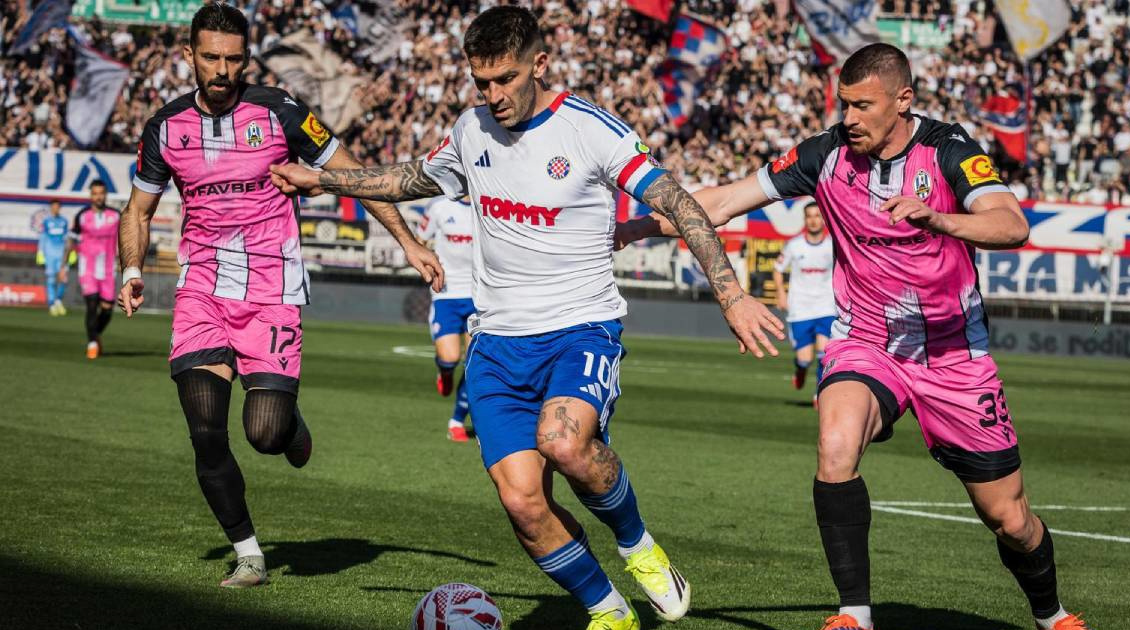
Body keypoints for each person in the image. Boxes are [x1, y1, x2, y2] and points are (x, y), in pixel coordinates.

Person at [268, 7, 783, 629]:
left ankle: (639, 545)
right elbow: (410, 178)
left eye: (505, 79)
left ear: (539, 65)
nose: (493, 95)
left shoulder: (590, 129)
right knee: (521, 502)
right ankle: (609, 611)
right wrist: (325, 181)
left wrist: (731, 295)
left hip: (580, 329)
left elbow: (679, 203)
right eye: (481, 82)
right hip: (496, 343)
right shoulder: (470, 129)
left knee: (565, 445)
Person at [616, 43, 1090, 630]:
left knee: (1009, 519)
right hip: (866, 341)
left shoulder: (949, 149)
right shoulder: (825, 153)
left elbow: (1011, 223)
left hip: (953, 354)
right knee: (836, 446)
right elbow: (727, 199)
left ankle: (1051, 614)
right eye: (845, 104)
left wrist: (940, 219)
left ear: (903, 100)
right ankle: (854, 615)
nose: (850, 118)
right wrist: (635, 227)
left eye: (863, 106)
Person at [115, 3, 443, 589]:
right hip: (201, 289)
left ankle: (289, 424)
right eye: (210, 58)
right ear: (189, 55)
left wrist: (409, 241)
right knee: (205, 429)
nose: (222, 70)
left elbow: (351, 173)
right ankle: (249, 555)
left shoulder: (281, 111)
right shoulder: (165, 127)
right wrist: (132, 268)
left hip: (271, 289)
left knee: (264, 434)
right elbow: (138, 209)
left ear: (247, 59)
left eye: (233, 59)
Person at [416, 195, 476, 442]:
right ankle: (445, 370)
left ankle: (457, 421)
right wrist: (428, 267)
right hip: (446, 294)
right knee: (450, 357)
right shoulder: (439, 206)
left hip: (479, 295)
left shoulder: (488, 202)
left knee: (475, 364)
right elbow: (419, 242)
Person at [772, 202, 835, 403]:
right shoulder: (794, 245)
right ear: (805, 220)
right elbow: (777, 270)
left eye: (817, 215)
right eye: (809, 216)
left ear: (823, 219)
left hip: (826, 306)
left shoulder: (833, 244)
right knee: (805, 359)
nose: (814, 220)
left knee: (824, 353)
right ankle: (800, 370)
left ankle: (819, 395)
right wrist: (781, 294)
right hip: (800, 308)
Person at [65, 180, 120, 358]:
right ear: (91, 195)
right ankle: (92, 344)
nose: (98, 197)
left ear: (105, 195)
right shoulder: (82, 215)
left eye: (101, 193)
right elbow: (71, 240)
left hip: (108, 269)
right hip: (87, 268)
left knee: (107, 309)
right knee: (92, 304)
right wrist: (64, 266)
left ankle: (95, 335)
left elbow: (126, 238)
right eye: (95, 193)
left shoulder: (116, 215)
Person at [37, 200, 70, 316]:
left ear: (59, 208)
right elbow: (43, 237)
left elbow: (67, 238)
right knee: (51, 279)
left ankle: (58, 301)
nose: (55, 209)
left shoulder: (64, 221)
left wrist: (70, 252)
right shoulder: (46, 221)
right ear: (51, 208)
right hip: (50, 254)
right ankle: (51, 304)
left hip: (62, 255)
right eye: (53, 207)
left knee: (63, 278)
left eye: (57, 207)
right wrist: (40, 252)